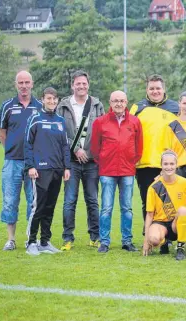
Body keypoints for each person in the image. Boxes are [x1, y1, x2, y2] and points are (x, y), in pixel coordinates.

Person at [57, 70, 104, 251]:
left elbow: (102, 131)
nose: (81, 86)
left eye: (84, 83)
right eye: (78, 83)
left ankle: (95, 237)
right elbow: (60, 132)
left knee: (92, 200)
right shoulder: (64, 106)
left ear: (88, 85)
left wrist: (89, 151)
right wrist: (75, 148)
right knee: (70, 200)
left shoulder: (96, 105)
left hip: (92, 161)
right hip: (71, 162)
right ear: (72, 85)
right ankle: (68, 238)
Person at [90, 91, 143, 253]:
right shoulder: (100, 122)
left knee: (127, 208)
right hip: (107, 171)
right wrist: (104, 161)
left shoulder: (134, 121)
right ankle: (104, 242)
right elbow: (94, 148)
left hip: (127, 171)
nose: (118, 103)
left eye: (121, 101)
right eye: (115, 101)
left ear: (126, 102)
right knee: (106, 208)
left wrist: (130, 162)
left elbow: (139, 147)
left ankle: (127, 241)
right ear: (110, 102)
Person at [0, 70, 42, 251]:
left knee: (34, 201)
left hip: (33, 163)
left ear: (32, 84)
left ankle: (31, 239)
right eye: (20, 83)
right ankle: (11, 239)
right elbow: (2, 132)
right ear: (16, 85)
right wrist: (10, 149)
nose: (24, 86)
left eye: (27, 82)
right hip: (12, 162)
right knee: (10, 200)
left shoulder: (39, 106)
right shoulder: (7, 106)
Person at [24, 87, 71, 255]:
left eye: (54, 99)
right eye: (48, 99)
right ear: (42, 100)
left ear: (57, 101)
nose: (51, 101)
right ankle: (31, 242)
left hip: (58, 169)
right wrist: (30, 166)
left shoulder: (60, 121)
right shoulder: (35, 119)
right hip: (40, 170)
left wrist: (67, 167)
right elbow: (28, 144)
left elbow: (65, 146)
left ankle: (44, 241)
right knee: (38, 206)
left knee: (50, 206)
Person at [129, 74, 179, 228]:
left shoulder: (175, 108)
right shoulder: (137, 108)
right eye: (152, 88)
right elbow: (128, 133)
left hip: (167, 164)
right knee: (148, 201)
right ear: (147, 89)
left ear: (164, 89)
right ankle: (148, 235)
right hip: (144, 163)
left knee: (168, 202)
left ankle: (167, 238)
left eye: (158, 88)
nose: (155, 91)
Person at [142, 150, 186, 261]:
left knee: (183, 210)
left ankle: (180, 248)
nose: (169, 167)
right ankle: (164, 242)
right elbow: (149, 215)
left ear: (176, 165)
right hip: (160, 223)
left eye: (172, 164)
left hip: (177, 223)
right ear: (161, 165)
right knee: (153, 239)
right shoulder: (154, 187)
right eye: (165, 164)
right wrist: (145, 241)